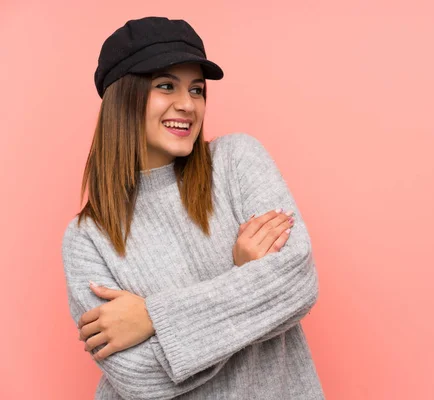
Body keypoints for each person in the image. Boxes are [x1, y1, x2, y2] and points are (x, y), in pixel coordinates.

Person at [61, 16, 324, 399]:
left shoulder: (236, 161)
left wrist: (153, 317)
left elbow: (296, 282)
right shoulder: (87, 238)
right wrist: (247, 281)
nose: (188, 105)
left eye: (197, 90)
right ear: (124, 97)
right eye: (166, 86)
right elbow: (139, 377)